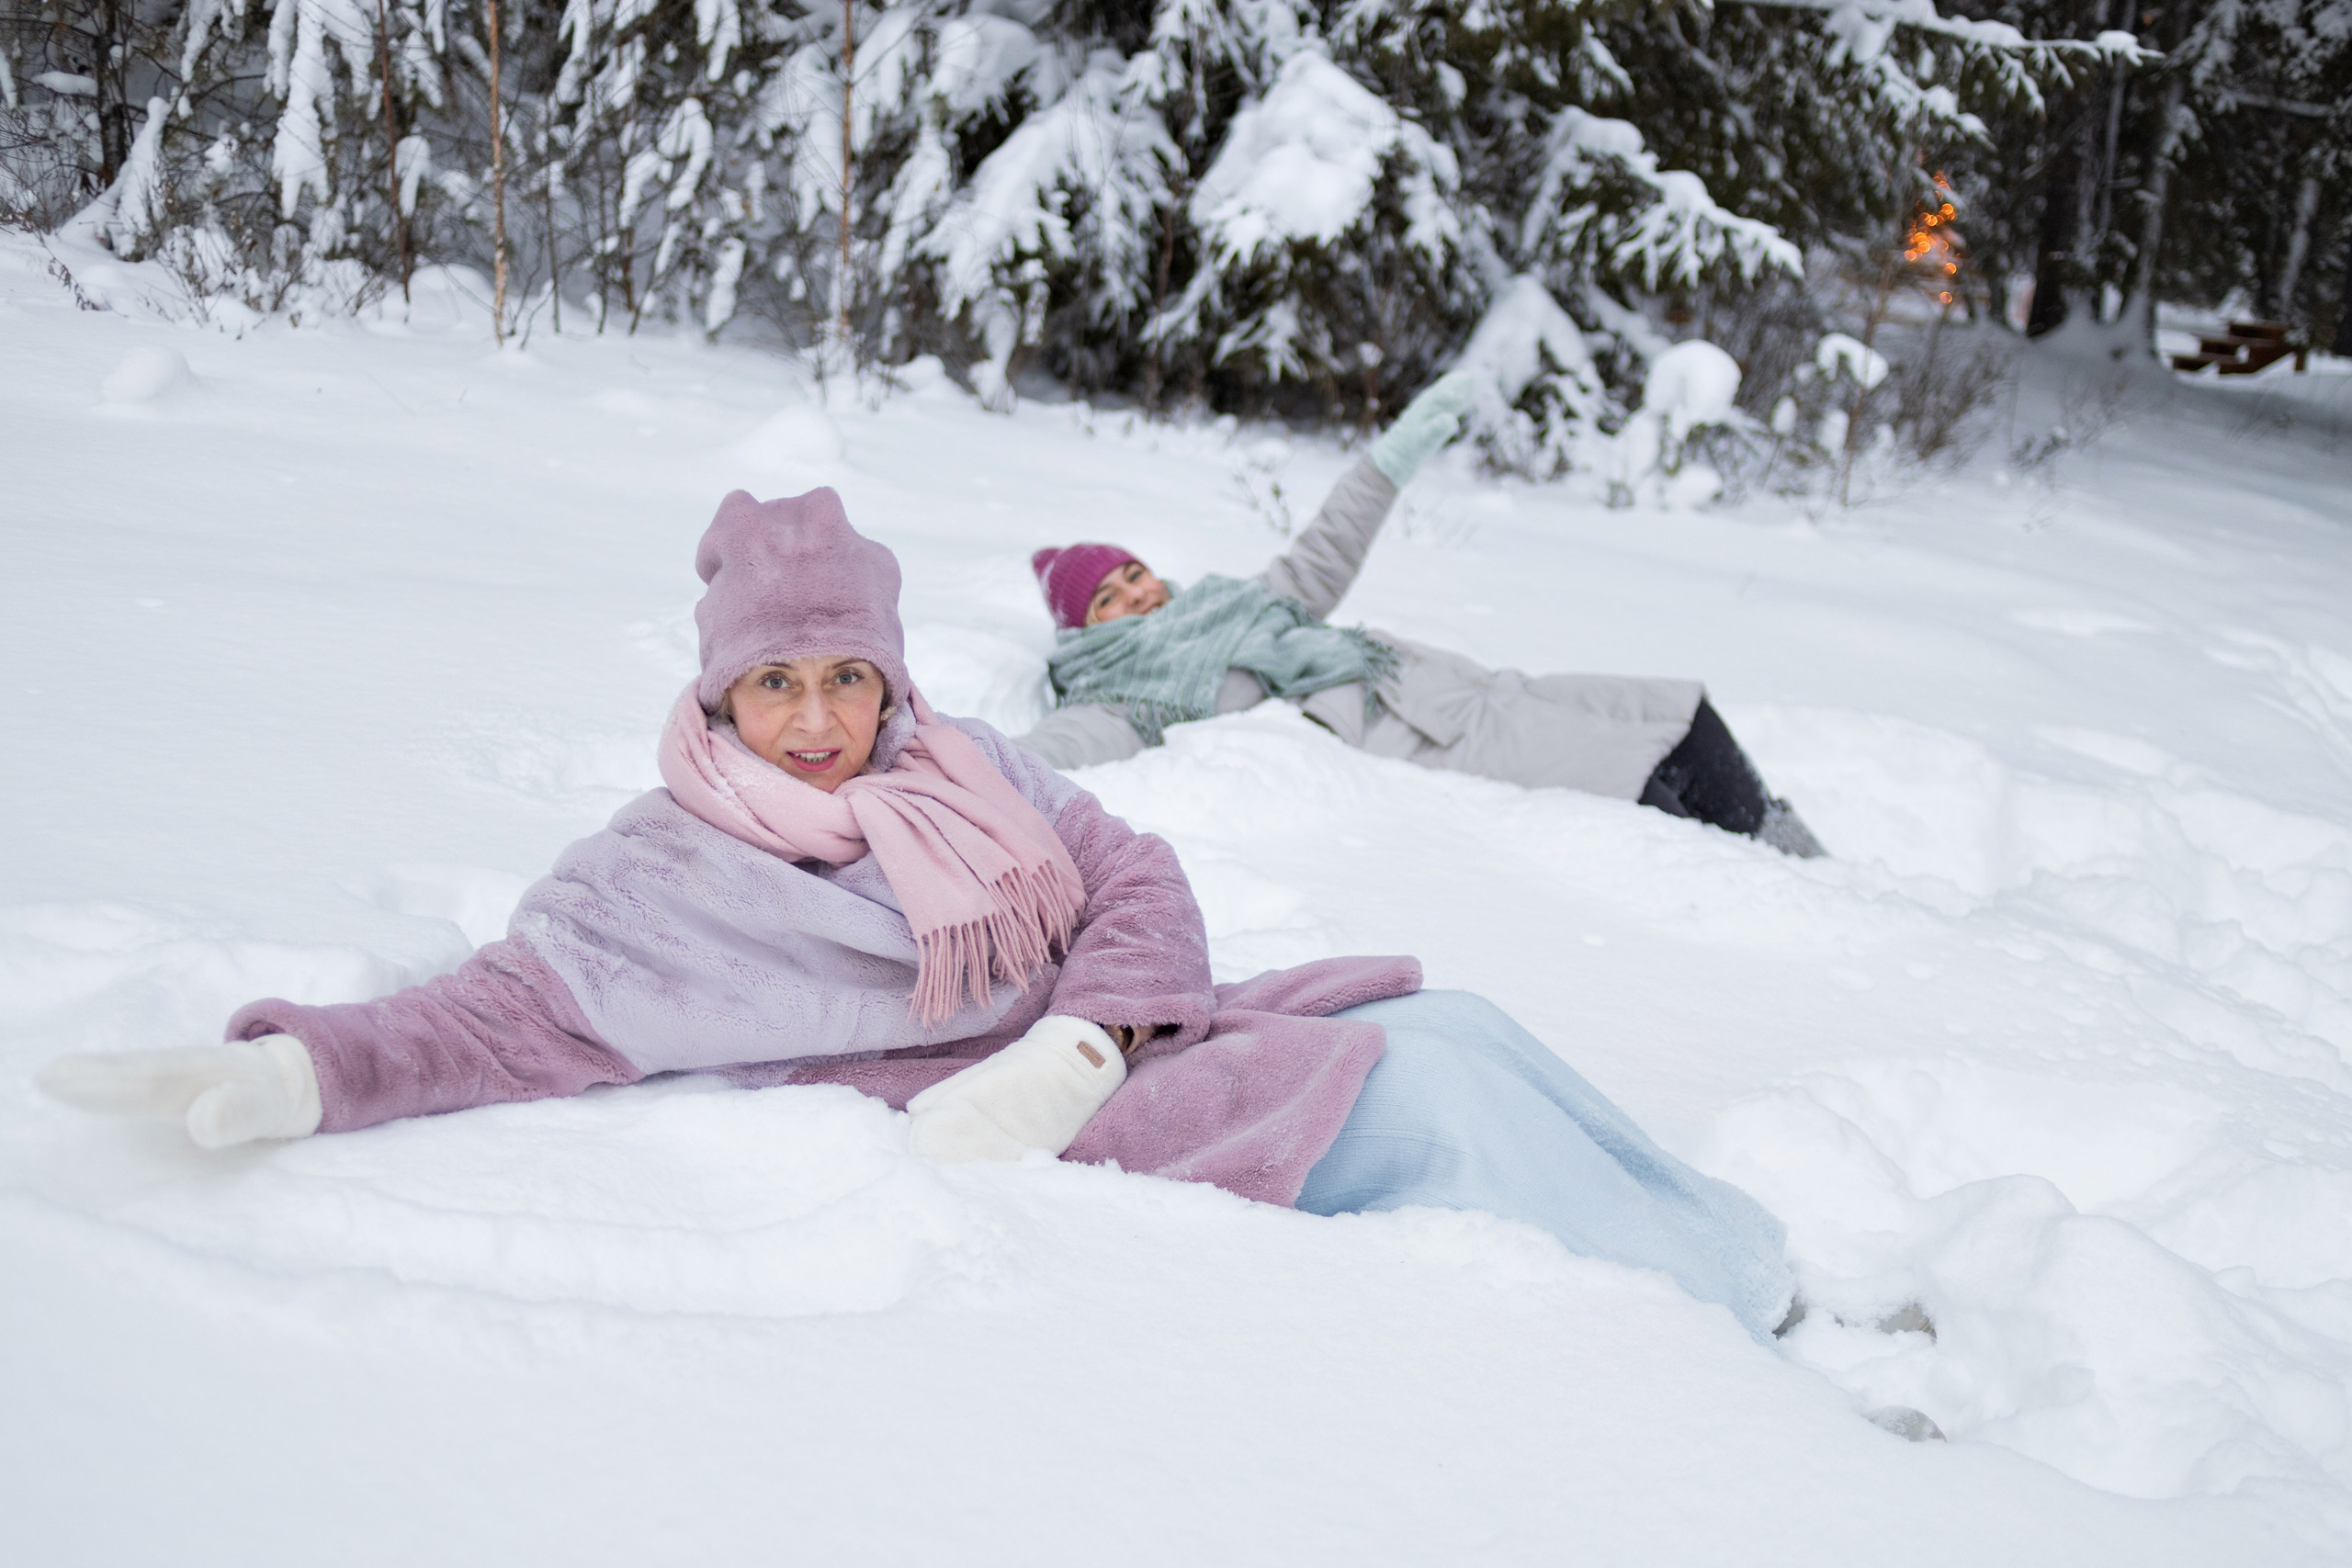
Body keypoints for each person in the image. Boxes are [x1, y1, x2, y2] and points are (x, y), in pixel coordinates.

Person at [34, 486, 1795, 1344]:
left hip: (1092, 1056)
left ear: (891, 680)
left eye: (846, 677)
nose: (816, 717)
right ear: (721, 697)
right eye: (776, 683)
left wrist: (1089, 1030)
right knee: (1426, 1099)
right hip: (980, 1123)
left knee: (1462, 1019)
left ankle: (1747, 1264)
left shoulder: (970, 772)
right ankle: (1709, 1343)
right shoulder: (652, 878)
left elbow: (1133, 871)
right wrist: (303, 1071)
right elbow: (501, 1019)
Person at [1019, 374, 1826, 857]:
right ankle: (1782, 891)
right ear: (1084, 632)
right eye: (1108, 599)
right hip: (1430, 741)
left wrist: (1391, 458)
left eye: (1134, 574)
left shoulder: (1234, 601)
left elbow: (1321, 550)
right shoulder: (1119, 692)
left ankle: (1801, 864)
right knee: (1640, 781)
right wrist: (937, 758)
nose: (1138, 596)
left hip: (1455, 686)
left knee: (1676, 712)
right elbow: (1050, 753)